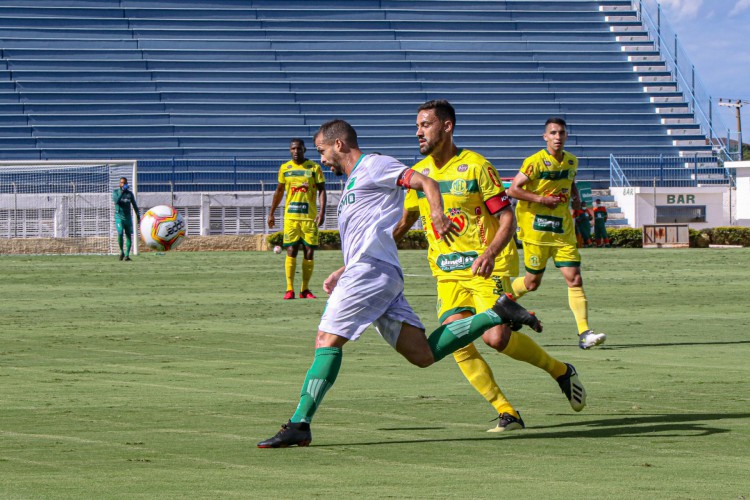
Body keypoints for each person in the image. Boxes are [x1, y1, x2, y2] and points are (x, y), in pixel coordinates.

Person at [257, 119, 542, 448]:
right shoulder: (354, 182)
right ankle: (497, 313)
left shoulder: (373, 165)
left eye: (321, 150)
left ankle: (300, 424)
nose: (320, 159)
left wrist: (436, 212)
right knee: (422, 354)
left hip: (370, 273)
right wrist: (343, 268)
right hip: (372, 271)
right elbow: (371, 233)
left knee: (327, 339)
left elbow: (425, 182)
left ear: (338, 145)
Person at [394, 100, 586, 432]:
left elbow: (506, 216)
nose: (418, 132)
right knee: (458, 341)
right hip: (446, 274)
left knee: (496, 338)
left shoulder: (476, 167)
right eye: (417, 126)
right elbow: (406, 219)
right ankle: (506, 411)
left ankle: (560, 370)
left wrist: (491, 253)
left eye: (425, 125)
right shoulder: (419, 174)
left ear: (447, 126)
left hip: (485, 268)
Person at [507, 117, 607, 350]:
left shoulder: (572, 161)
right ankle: (502, 304)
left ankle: (584, 333)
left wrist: (576, 198)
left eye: (561, 133)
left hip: (563, 232)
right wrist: (542, 199)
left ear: (566, 136)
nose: (557, 137)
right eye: (553, 133)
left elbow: (570, 181)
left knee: (575, 279)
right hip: (536, 232)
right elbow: (513, 189)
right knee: (532, 284)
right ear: (545, 137)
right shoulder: (534, 163)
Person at [267, 139, 327, 300]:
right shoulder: (285, 168)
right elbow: (279, 191)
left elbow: (322, 190)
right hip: (291, 218)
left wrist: (322, 212)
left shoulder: (314, 168)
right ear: (290, 150)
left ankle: (305, 290)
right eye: (293, 149)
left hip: (309, 218)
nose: (295, 151)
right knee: (291, 250)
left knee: (309, 252)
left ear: (304, 150)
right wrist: (271, 213)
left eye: (298, 149)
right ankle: (289, 289)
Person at [112, 176, 140, 261]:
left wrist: (138, 216)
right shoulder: (116, 192)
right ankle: (121, 251)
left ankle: (127, 255)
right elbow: (116, 201)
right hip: (119, 217)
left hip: (128, 217)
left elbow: (134, 205)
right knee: (120, 233)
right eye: (121, 182)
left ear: (127, 183)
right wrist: (122, 192)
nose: (123, 184)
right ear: (119, 184)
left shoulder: (130, 194)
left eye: (124, 183)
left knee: (128, 235)